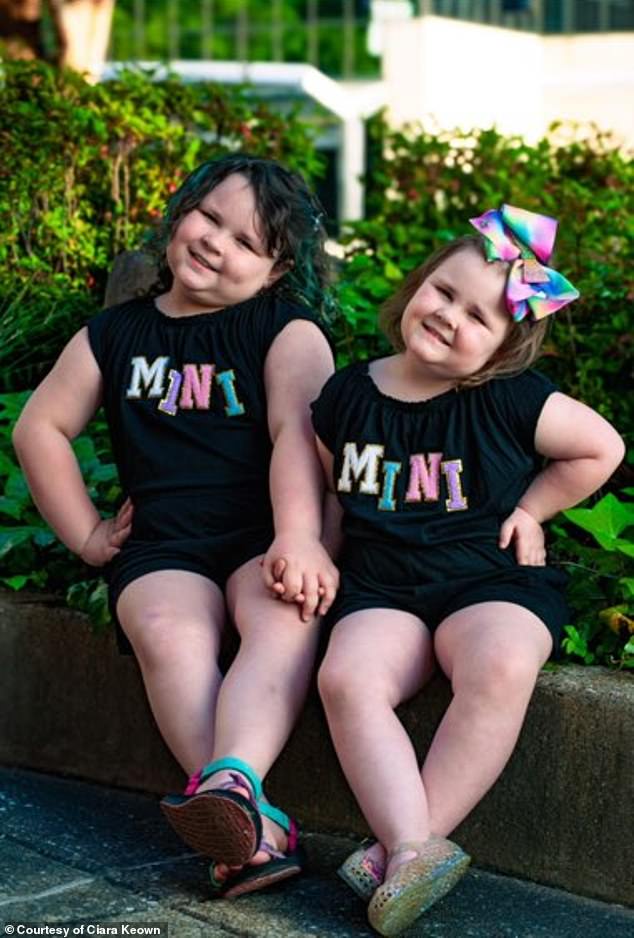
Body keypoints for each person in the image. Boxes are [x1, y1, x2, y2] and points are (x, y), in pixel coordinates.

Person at [12, 153, 338, 898]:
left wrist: (297, 537)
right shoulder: (114, 334)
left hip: (267, 533)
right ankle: (239, 812)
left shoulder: (286, 333)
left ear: (276, 268)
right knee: (167, 628)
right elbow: (40, 429)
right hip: (163, 542)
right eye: (208, 216)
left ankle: (231, 789)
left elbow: (300, 438)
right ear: (179, 210)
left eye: (245, 242)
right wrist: (88, 535)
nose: (215, 242)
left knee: (281, 616)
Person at [310, 205, 625, 936]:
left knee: (504, 661)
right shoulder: (348, 396)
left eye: (478, 317)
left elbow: (600, 447)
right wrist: (317, 550)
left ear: (501, 352)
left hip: (489, 578)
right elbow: (331, 491)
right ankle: (410, 851)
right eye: (443, 293)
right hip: (383, 585)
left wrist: (534, 509)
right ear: (417, 286)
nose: (451, 316)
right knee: (346, 678)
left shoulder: (508, 399)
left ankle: (398, 850)